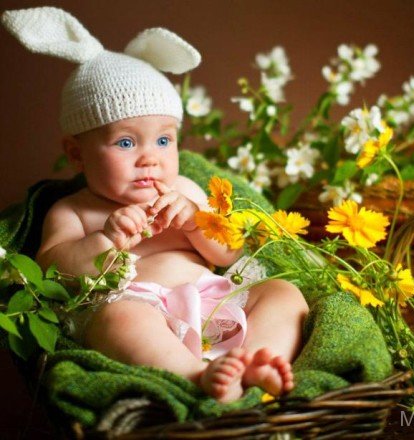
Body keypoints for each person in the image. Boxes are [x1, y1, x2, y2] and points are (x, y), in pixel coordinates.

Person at [3, 6, 308, 403]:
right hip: (141, 310)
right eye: (126, 142)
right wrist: (105, 239)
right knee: (117, 319)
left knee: (284, 293)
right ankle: (197, 376)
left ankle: (257, 360)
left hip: (213, 300)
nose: (150, 158)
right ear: (76, 154)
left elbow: (229, 251)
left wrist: (197, 223)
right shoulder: (73, 210)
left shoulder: (185, 189)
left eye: (164, 140)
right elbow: (52, 269)